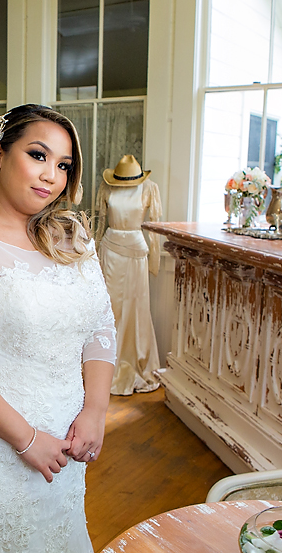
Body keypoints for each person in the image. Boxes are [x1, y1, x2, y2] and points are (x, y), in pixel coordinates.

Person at [0, 104, 117, 552]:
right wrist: (25, 438)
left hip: (68, 441)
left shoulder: (72, 236)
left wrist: (96, 410)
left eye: (63, 165)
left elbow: (100, 327)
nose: (51, 175)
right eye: (38, 155)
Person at [95, 154, 162, 395]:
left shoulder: (149, 188)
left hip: (135, 252)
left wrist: (154, 260)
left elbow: (153, 229)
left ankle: (135, 363)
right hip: (110, 249)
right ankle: (103, 366)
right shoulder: (106, 187)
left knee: (136, 309)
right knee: (109, 309)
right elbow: (100, 223)